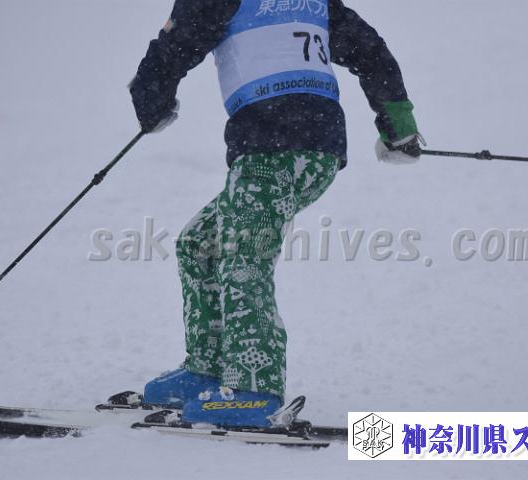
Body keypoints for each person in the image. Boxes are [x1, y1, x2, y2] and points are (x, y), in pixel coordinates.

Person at [131, 0, 422, 427]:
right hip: (317, 150)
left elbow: (177, 44)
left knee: (241, 252)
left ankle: (255, 388)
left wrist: (151, 100)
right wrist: (399, 125)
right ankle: (208, 369)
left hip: (269, 146)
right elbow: (371, 51)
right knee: (201, 245)